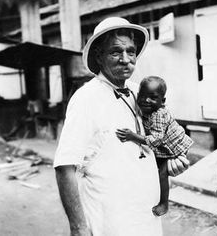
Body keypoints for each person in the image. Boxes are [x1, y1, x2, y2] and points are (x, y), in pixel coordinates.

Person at [54, 17, 190, 236]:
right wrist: (78, 227)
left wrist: (174, 161)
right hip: (110, 220)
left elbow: (158, 141)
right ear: (99, 56)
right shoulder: (86, 98)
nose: (126, 59)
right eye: (115, 52)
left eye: (131, 51)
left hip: (146, 216)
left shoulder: (141, 92)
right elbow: (64, 167)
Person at [116, 76, 193, 216]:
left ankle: (164, 203)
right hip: (165, 144)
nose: (146, 100)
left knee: (162, 173)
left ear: (162, 101)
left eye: (152, 97)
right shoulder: (146, 108)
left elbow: (156, 140)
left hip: (174, 146)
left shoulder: (158, 114)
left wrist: (132, 136)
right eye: (143, 96)